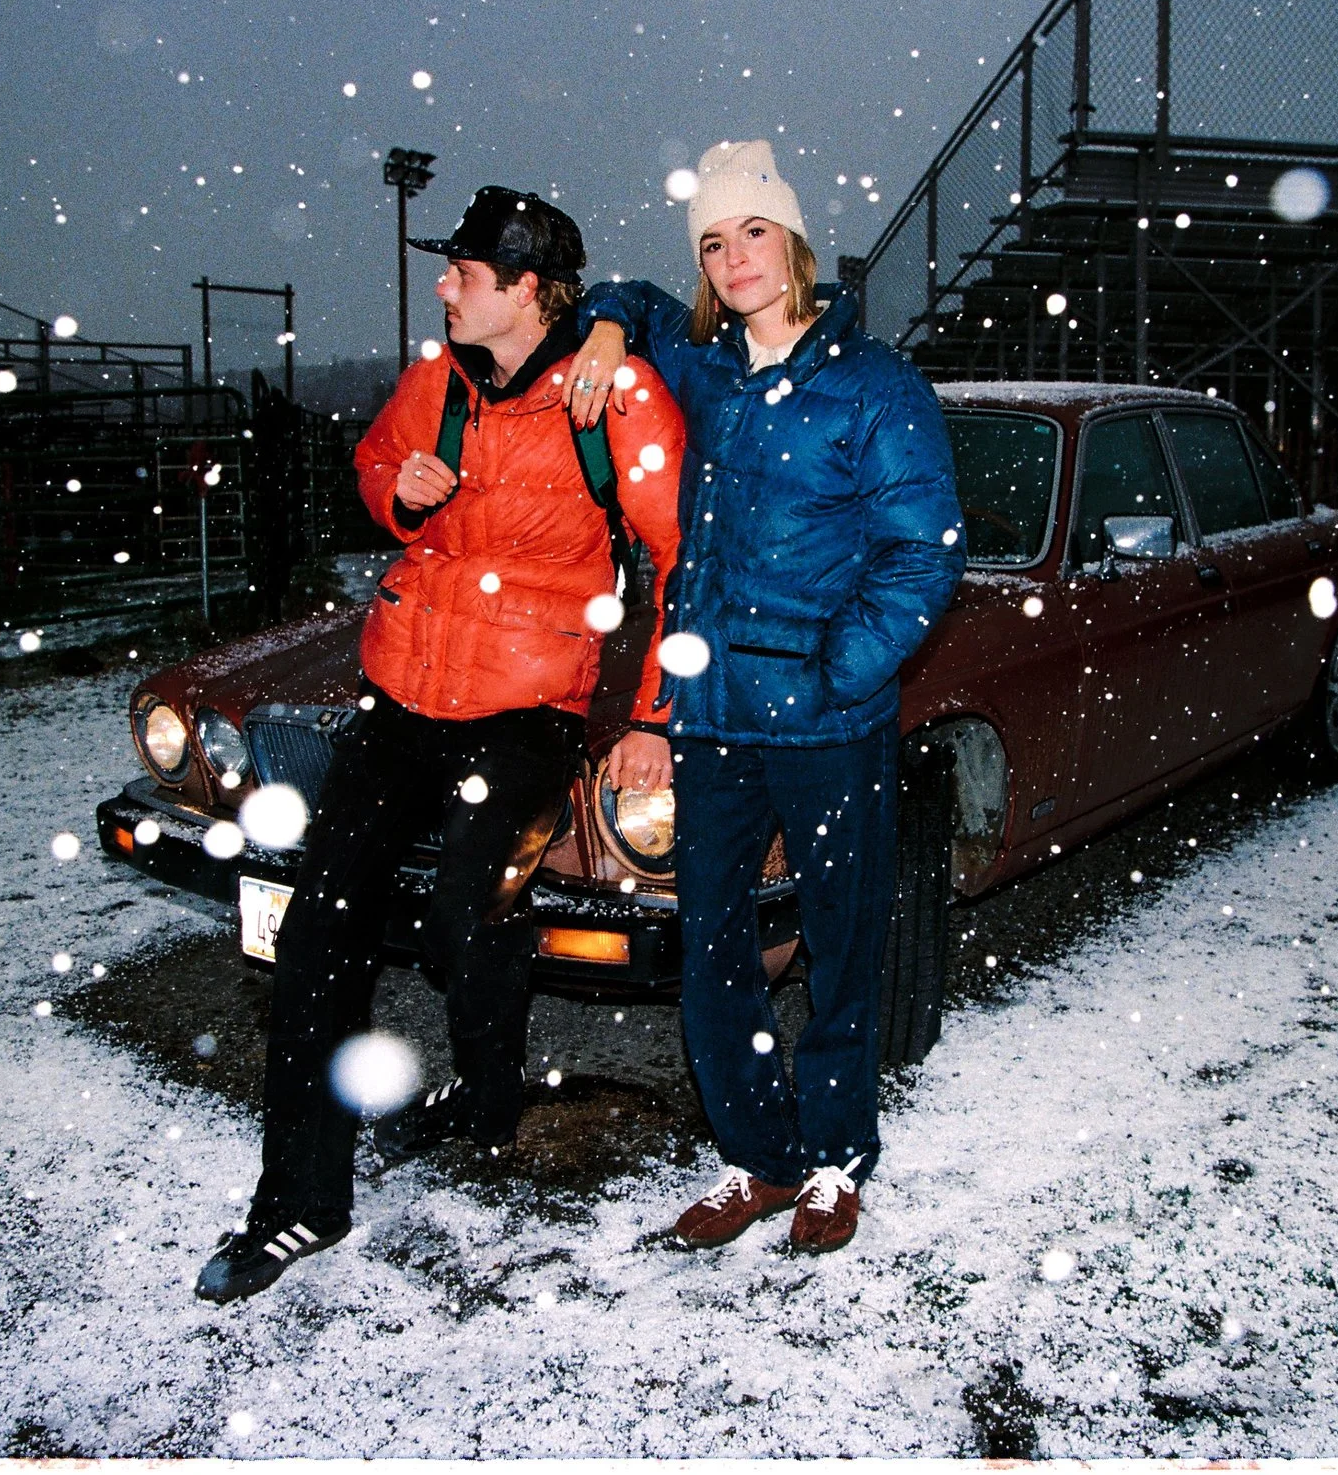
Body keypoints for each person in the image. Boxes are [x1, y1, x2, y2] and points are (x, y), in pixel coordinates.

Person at [198, 186, 686, 1304]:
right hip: (402, 693)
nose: (445, 285)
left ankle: (489, 1084)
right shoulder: (437, 383)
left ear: (526, 289)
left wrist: (655, 714)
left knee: (468, 906)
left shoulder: (613, 397)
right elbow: (373, 471)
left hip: (528, 707)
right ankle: (299, 1206)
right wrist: (402, 493)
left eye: (466, 270)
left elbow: (679, 561)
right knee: (319, 932)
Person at [560, 139, 964, 1254]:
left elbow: (924, 552)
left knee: (840, 944)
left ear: (789, 241)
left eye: (750, 232)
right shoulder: (705, 371)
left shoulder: (870, 384)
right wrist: (602, 322)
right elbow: (626, 301)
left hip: (828, 725)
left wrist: (841, 671)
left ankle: (834, 1161)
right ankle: (759, 1160)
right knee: (714, 950)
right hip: (714, 721)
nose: (732, 258)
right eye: (710, 242)